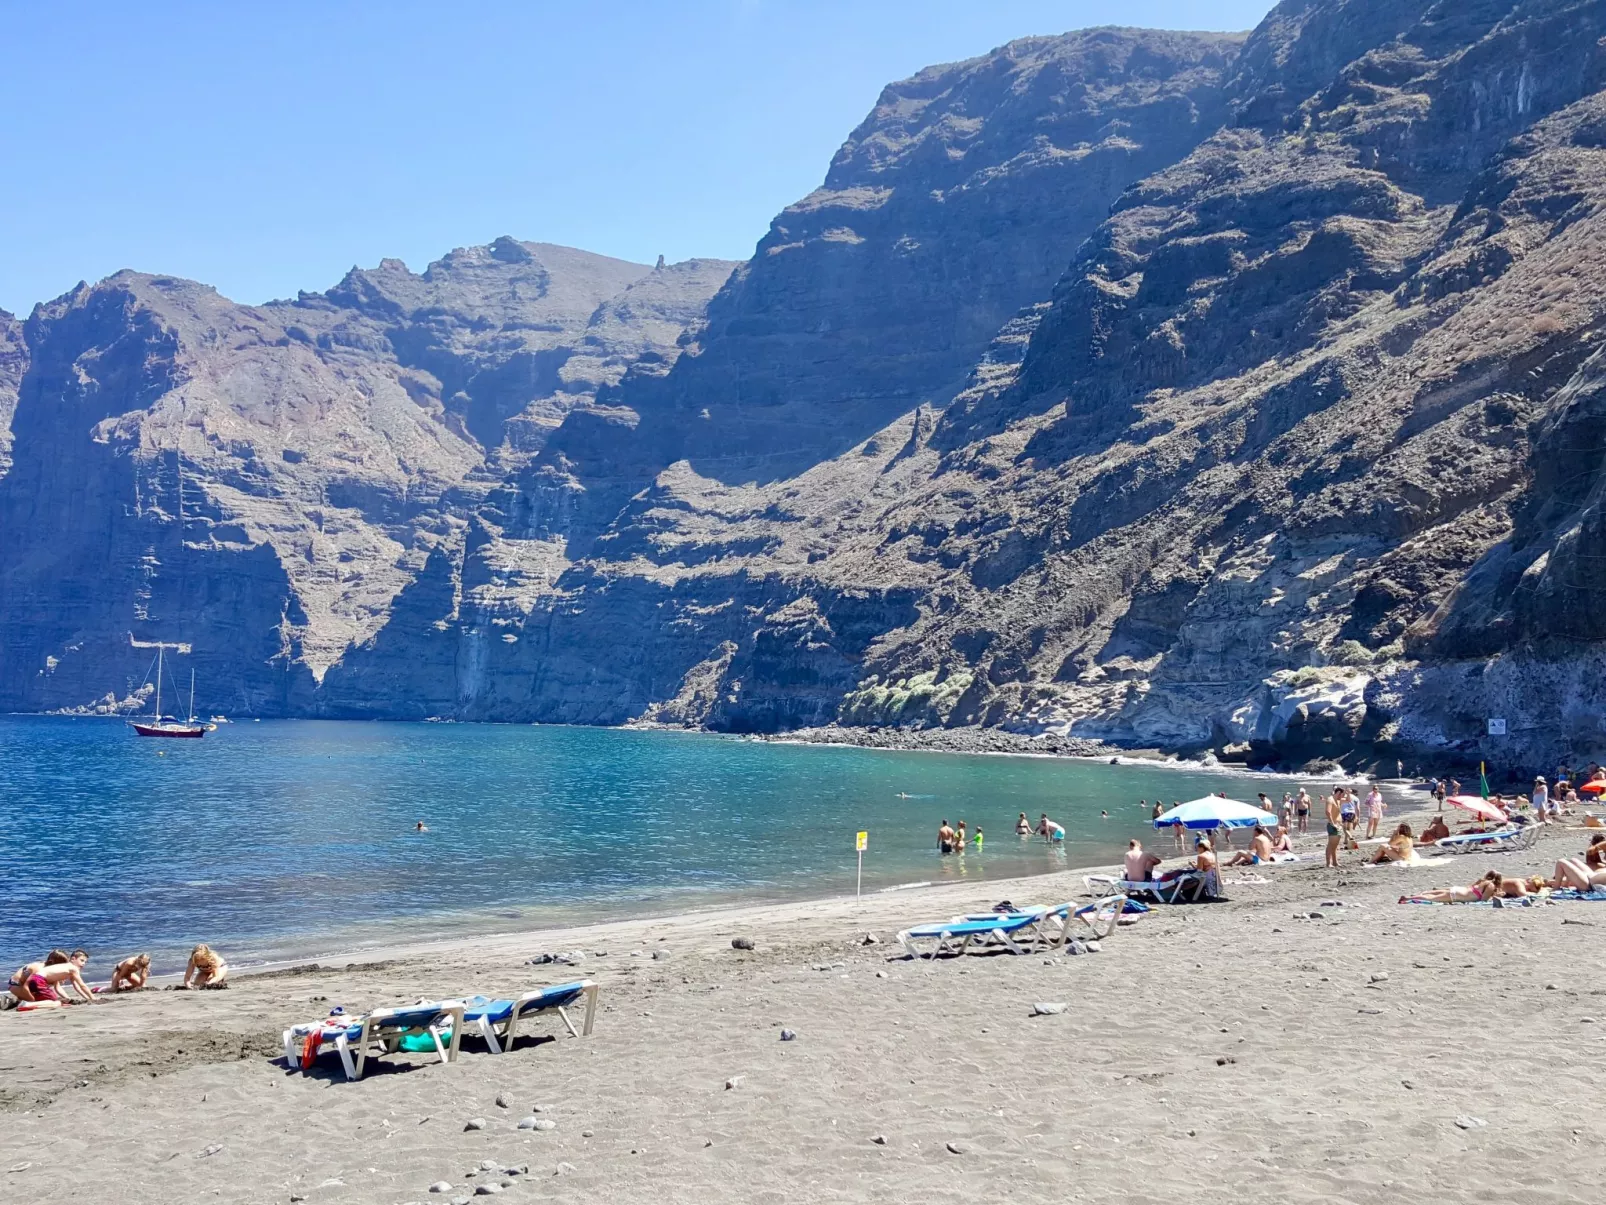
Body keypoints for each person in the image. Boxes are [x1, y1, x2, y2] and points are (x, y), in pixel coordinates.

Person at [1324, 793, 1342, 868]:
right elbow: (1328, 812)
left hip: (1338, 825)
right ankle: (1328, 863)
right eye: (1342, 794)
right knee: (1331, 845)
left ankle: (1335, 862)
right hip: (1333, 825)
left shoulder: (1337, 800)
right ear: (1338, 793)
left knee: (1335, 846)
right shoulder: (1330, 799)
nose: (1342, 796)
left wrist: (1347, 793)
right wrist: (1332, 823)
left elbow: (1348, 800)